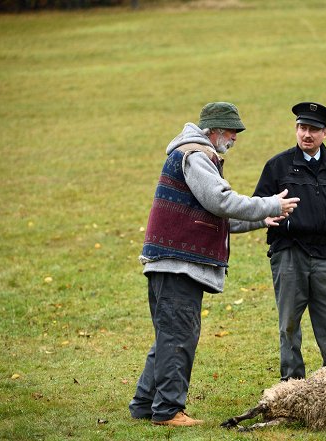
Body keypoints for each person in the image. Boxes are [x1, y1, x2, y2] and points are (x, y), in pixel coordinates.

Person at [128, 102, 300, 427]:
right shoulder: (196, 155)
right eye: (232, 131)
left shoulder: (195, 155)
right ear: (215, 130)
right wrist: (271, 202)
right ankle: (167, 411)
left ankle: (144, 404)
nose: (235, 138)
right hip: (177, 265)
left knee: (170, 335)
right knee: (179, 335)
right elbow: (220, 201)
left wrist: (264, 218)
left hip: (171, 265)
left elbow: (217, 218)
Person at [252, 102, 326, 381]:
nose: (306, 134)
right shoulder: (278, 166)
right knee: (289, 324)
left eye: (313, 129)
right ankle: (291, 385)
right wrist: (267, 217)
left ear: (325, 133)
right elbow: (259, 203)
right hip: (289, 254)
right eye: (301, 128)